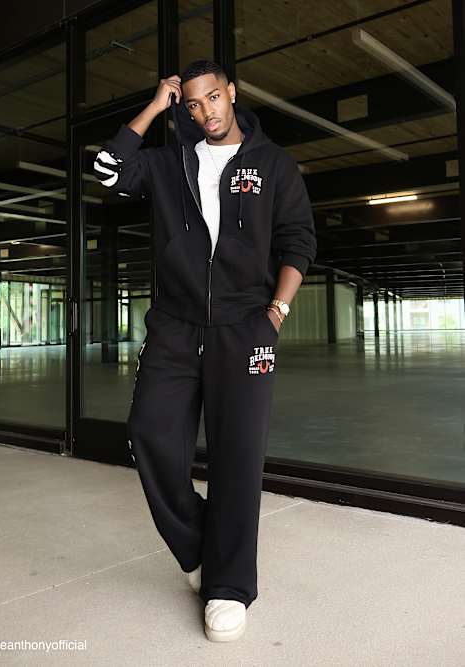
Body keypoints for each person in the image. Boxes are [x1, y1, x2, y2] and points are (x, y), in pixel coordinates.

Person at [94, 58, 317, 642]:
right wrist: (153, 107)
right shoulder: (170, 163)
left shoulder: (273, 164)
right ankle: (198, 547)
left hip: (246, 329)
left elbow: (298, 240)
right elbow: (108, 171)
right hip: (174, 325)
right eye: (192, 104)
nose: (205, 112)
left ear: (232, 94)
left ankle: (229, 585)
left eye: (212, 98)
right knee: (149, 433)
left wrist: (276, 313)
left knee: (237, 458)